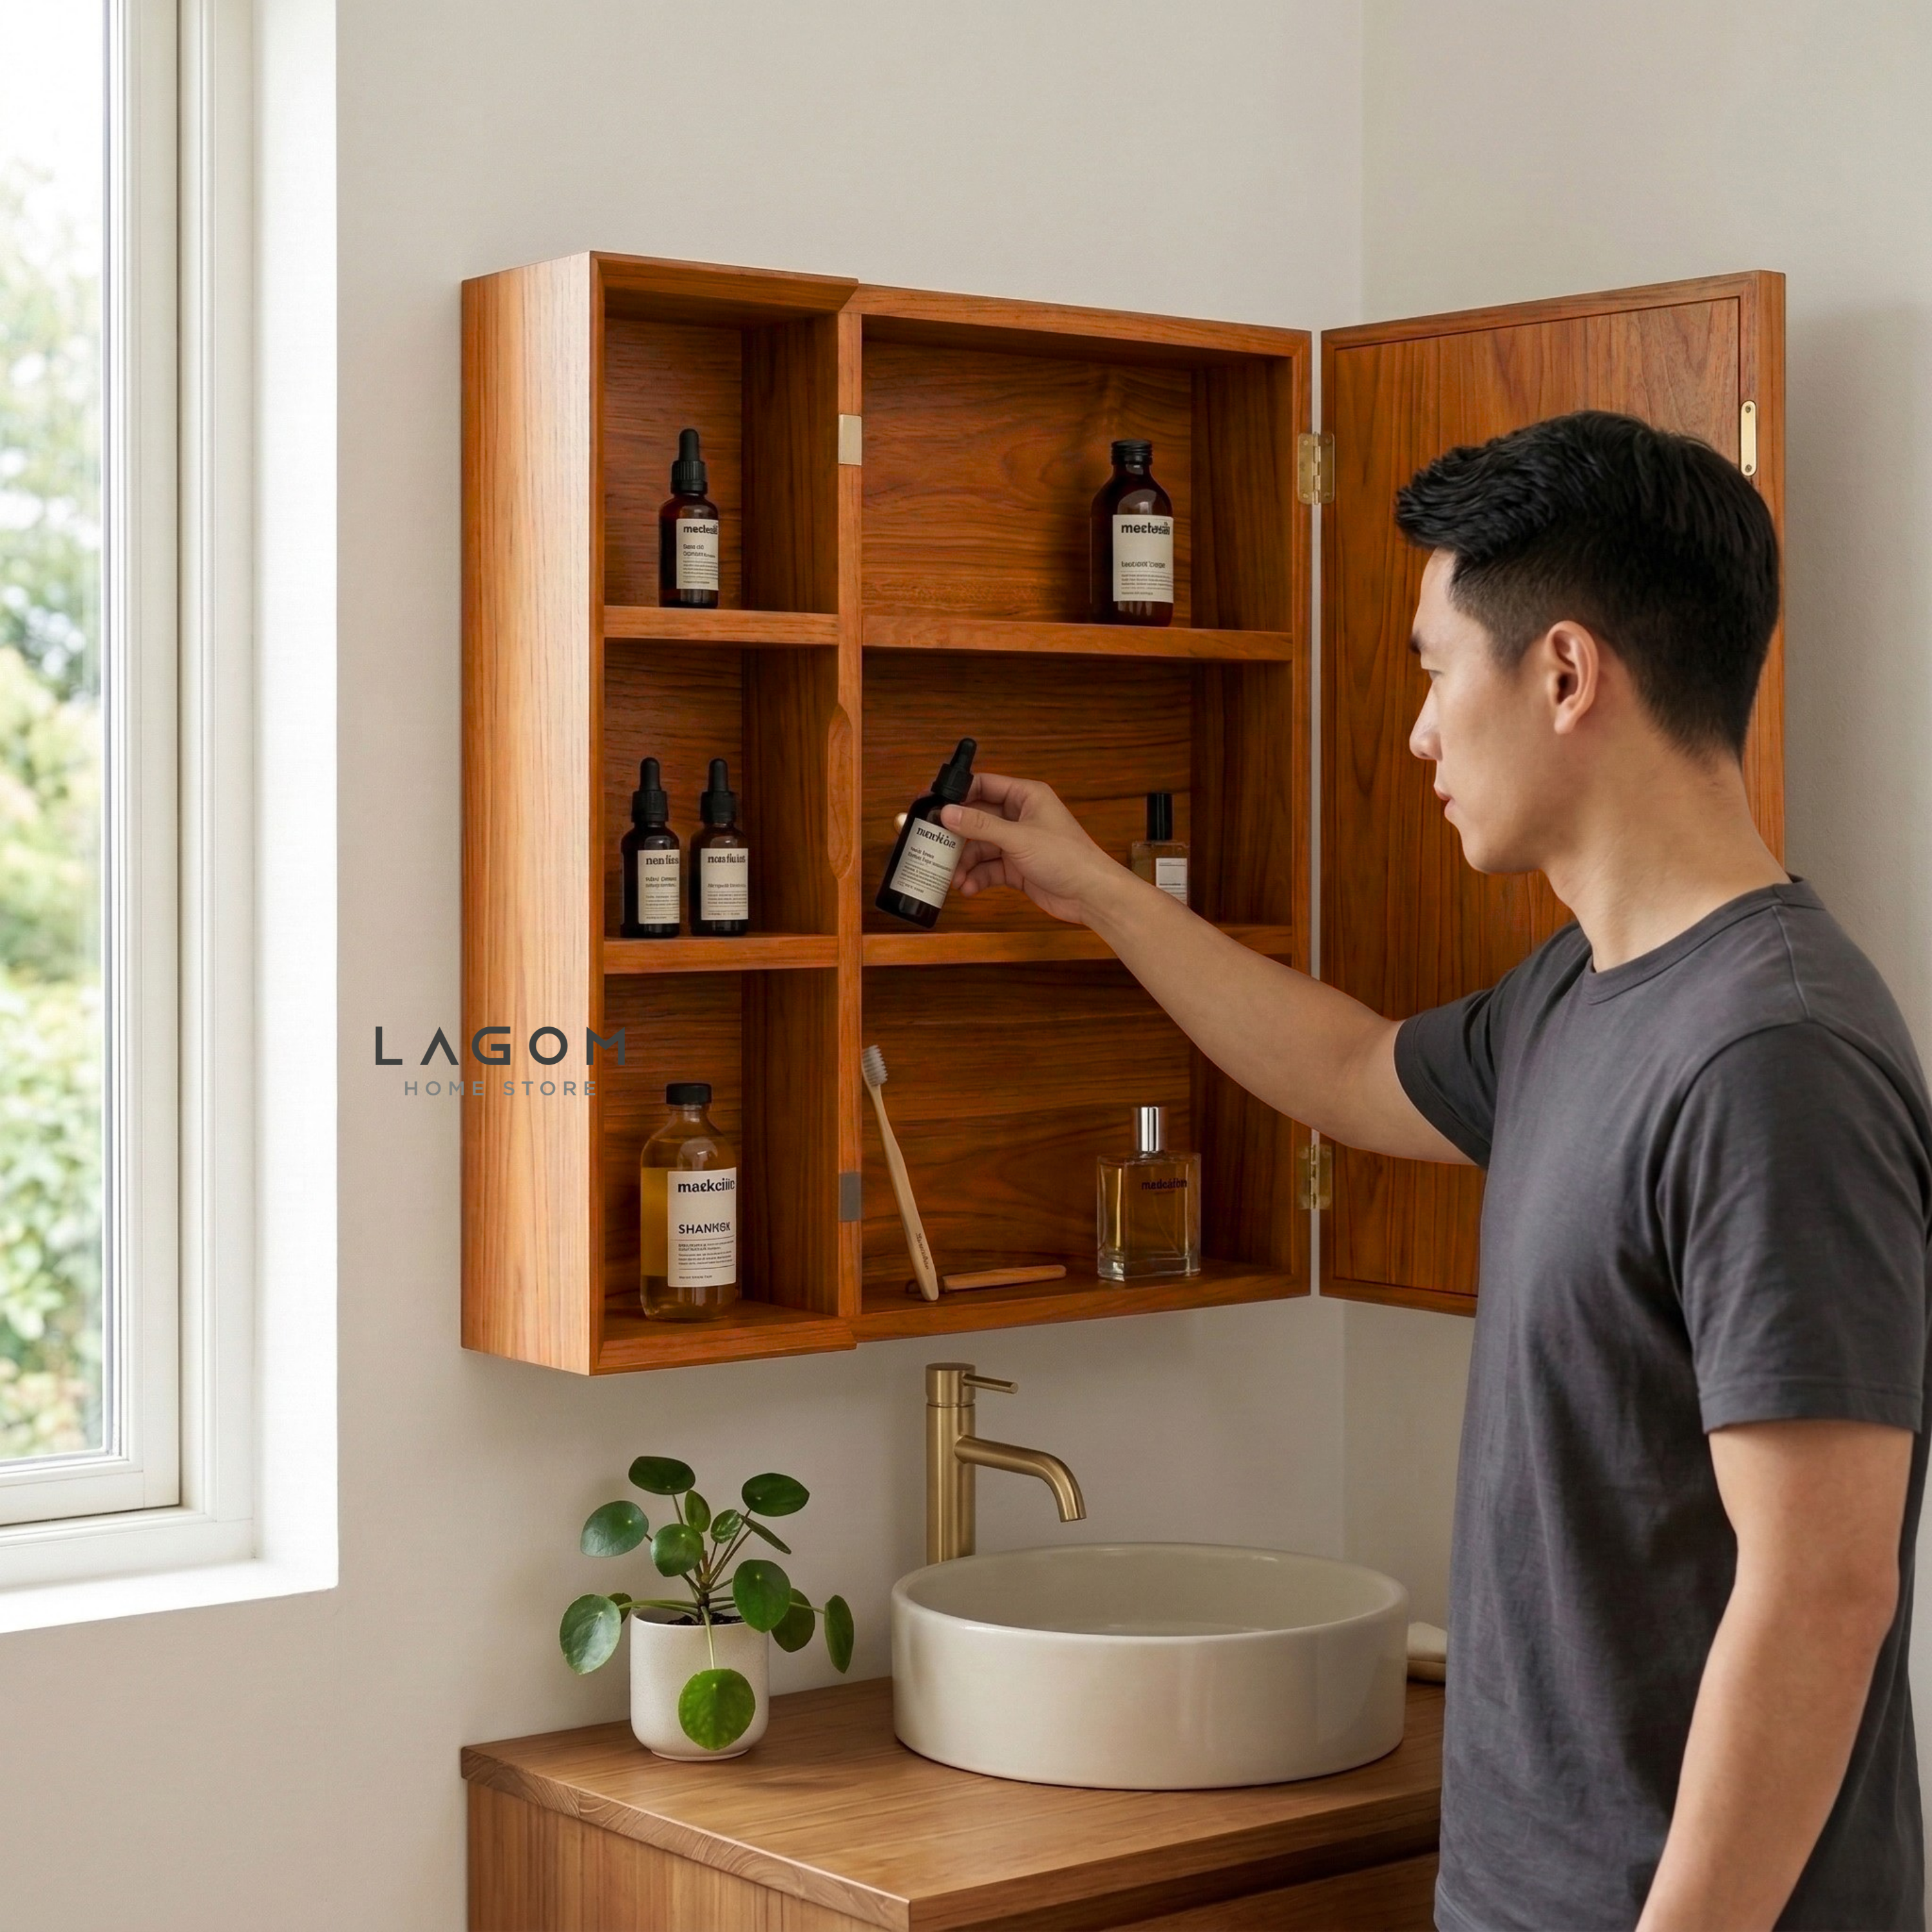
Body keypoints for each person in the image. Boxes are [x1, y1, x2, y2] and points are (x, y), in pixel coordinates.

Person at [940, 411, 1931, 1932]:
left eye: (1430, 666)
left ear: (1563, 672)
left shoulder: (1770, 1060)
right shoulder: (1582, 994)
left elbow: (1823, 1592)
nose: (1414, 731)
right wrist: (1099, 897)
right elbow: (1344, 1069)